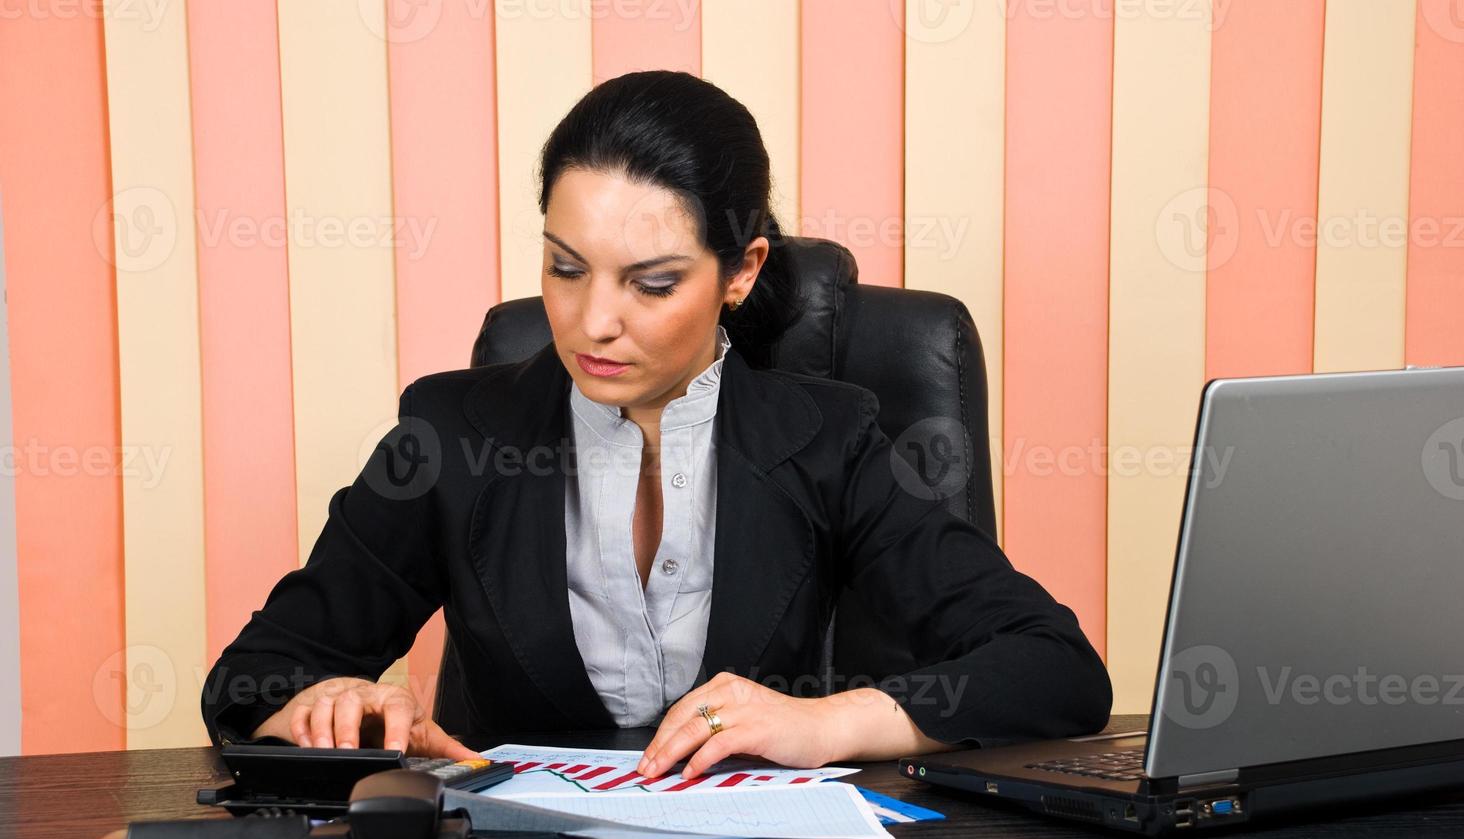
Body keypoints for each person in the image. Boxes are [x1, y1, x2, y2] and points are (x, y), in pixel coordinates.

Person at [200, 70, 1111, 782]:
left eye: (652, 282)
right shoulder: (447, 434)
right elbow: (252, 677)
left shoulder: (830, 439)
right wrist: (322, 705)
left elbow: (1054, 669)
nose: (593, 322)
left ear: (742, 270)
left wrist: (822, 722)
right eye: (565, 267)